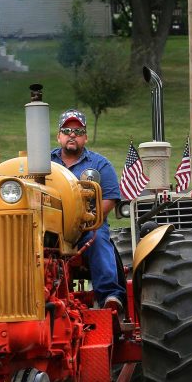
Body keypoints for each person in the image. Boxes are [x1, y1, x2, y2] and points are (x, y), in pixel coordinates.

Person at [50, 109, 126, 311]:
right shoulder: (44, 163)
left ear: (85, 137)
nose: (72, 134)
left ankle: (110, 295)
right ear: (59, 136)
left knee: (99, 239)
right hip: (49, 227)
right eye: (67, 130)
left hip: (87, 226)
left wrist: (88, 220)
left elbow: (110, 197)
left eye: (78, 131)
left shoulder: (100, 164)